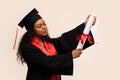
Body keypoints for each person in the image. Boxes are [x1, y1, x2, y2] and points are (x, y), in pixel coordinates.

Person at [17, 8, 96, 80]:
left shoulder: (48, 43)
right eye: (39, 26)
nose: (44, 27)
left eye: (44, 24)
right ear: (32, 30)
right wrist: (70, 56)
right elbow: (45, 62)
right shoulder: (27, 47)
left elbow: (65, 41)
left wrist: (86, 26)